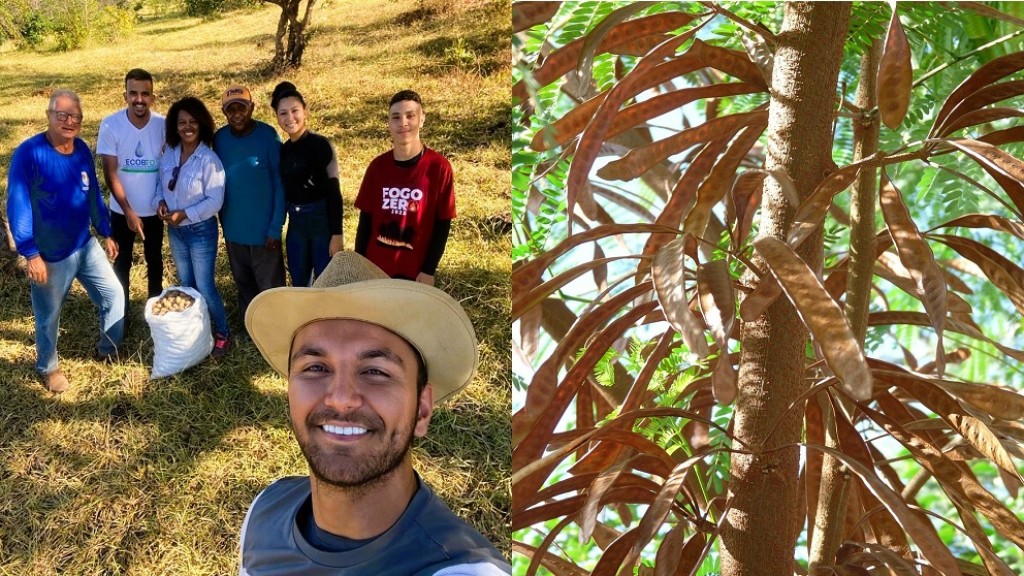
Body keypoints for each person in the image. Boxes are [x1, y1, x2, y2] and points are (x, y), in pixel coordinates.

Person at [239, 252, 511, 575]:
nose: (340, 399)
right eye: (315, 367)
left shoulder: (461, 570)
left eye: (376, 372)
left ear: (422, 410)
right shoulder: (262, 516)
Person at [6, 89, 125, 393]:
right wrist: (30, 253)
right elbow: (17, 202)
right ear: (49, 116)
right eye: (63, 115)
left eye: (76, 116)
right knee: (49, 316)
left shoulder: (83, 149)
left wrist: (106, 230)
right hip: (50, 255)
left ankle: (108, 348)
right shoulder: (29, 153)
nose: (70, 121)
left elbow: (93, 193)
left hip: (84, 245)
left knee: (114, 295)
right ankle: (48, 367)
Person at [153, 96, 231, 358]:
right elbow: (158, 186)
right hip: (175, 231)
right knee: (187, 284)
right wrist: (160, 203)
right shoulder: (169, 154)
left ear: (202, 125)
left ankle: (223, 333)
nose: (187, 127)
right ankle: (197, 331)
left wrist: (185, 214)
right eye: (182, 122)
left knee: (205, 285)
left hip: (200, 231)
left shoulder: (209, 160)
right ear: (175, 127)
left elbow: (215, 200)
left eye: (193, 122)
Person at [355, 89, 455, 286]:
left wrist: (428, 270)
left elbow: (442, 224)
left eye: (410, 116)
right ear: (389, 123)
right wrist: (360, 265)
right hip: (375, 269)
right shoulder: (377, 167)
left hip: (414, 272)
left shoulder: (439, 167)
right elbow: (365, 220)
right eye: (396, 117)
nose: (403, 123)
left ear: (422, 119)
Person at [97, 68, 166, 324]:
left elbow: (168, 165)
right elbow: (110, 172)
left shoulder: (163, 124)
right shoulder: (111, 124)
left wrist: (162, 200)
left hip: (154, 210)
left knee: (155, 260)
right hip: (121, 209)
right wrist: (128, 211)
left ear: (152, 97)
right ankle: (120, 313)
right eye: (133, 93)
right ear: (125, 95)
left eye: (145, 94)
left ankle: (156, 312)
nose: (139, 99)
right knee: (122, 262)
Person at [214, 84, 286, 327]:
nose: (236, 114)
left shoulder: (268, 136)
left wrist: (275, 228)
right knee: (243, 282)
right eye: (230, 109)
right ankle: (251, 326)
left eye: (242, 108)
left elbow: (280, 183)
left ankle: (275, 329)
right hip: (234, 231)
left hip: (265, 234)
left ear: (252, 107)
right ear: (224, 112)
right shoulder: (220, 139)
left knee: (270, 287)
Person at [272, 81, 343, 286]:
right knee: (299, 281)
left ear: (305, 112)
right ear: (277, 117)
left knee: (325, 282)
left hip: (321, 222)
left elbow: (334, 193)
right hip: (296, 223)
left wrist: (336, 234)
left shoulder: (320, 145)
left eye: (295, 110)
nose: (290, 118)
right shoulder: (283, 150)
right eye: (283, 113)